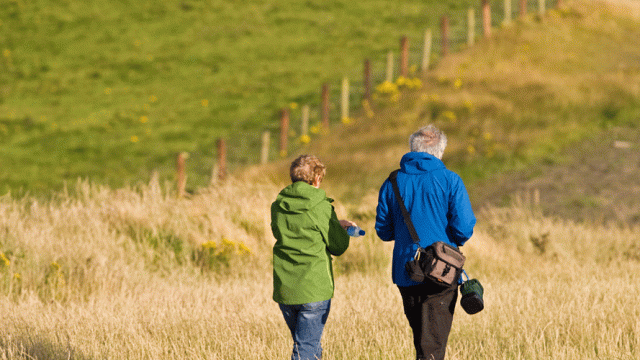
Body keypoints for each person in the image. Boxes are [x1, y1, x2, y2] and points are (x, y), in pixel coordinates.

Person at [375, 125, 476, 360]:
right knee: (432, 347)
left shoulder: (392, 182)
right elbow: (463, 228)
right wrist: (447, 239)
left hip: (406, 271)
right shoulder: (450, 180)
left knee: (422, 341)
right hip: (443, 270)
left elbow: (383, 230)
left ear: (412, 149)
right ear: (440, 151)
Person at [271, 154, 357, 360]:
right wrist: (342, 230)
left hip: (286, 287)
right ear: (317, 179)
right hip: (314, 288)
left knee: (309, 345)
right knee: (306, 349)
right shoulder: (321, 205)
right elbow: (337, 246)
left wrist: (335, 223)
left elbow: (282, 232)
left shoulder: (278, 205)